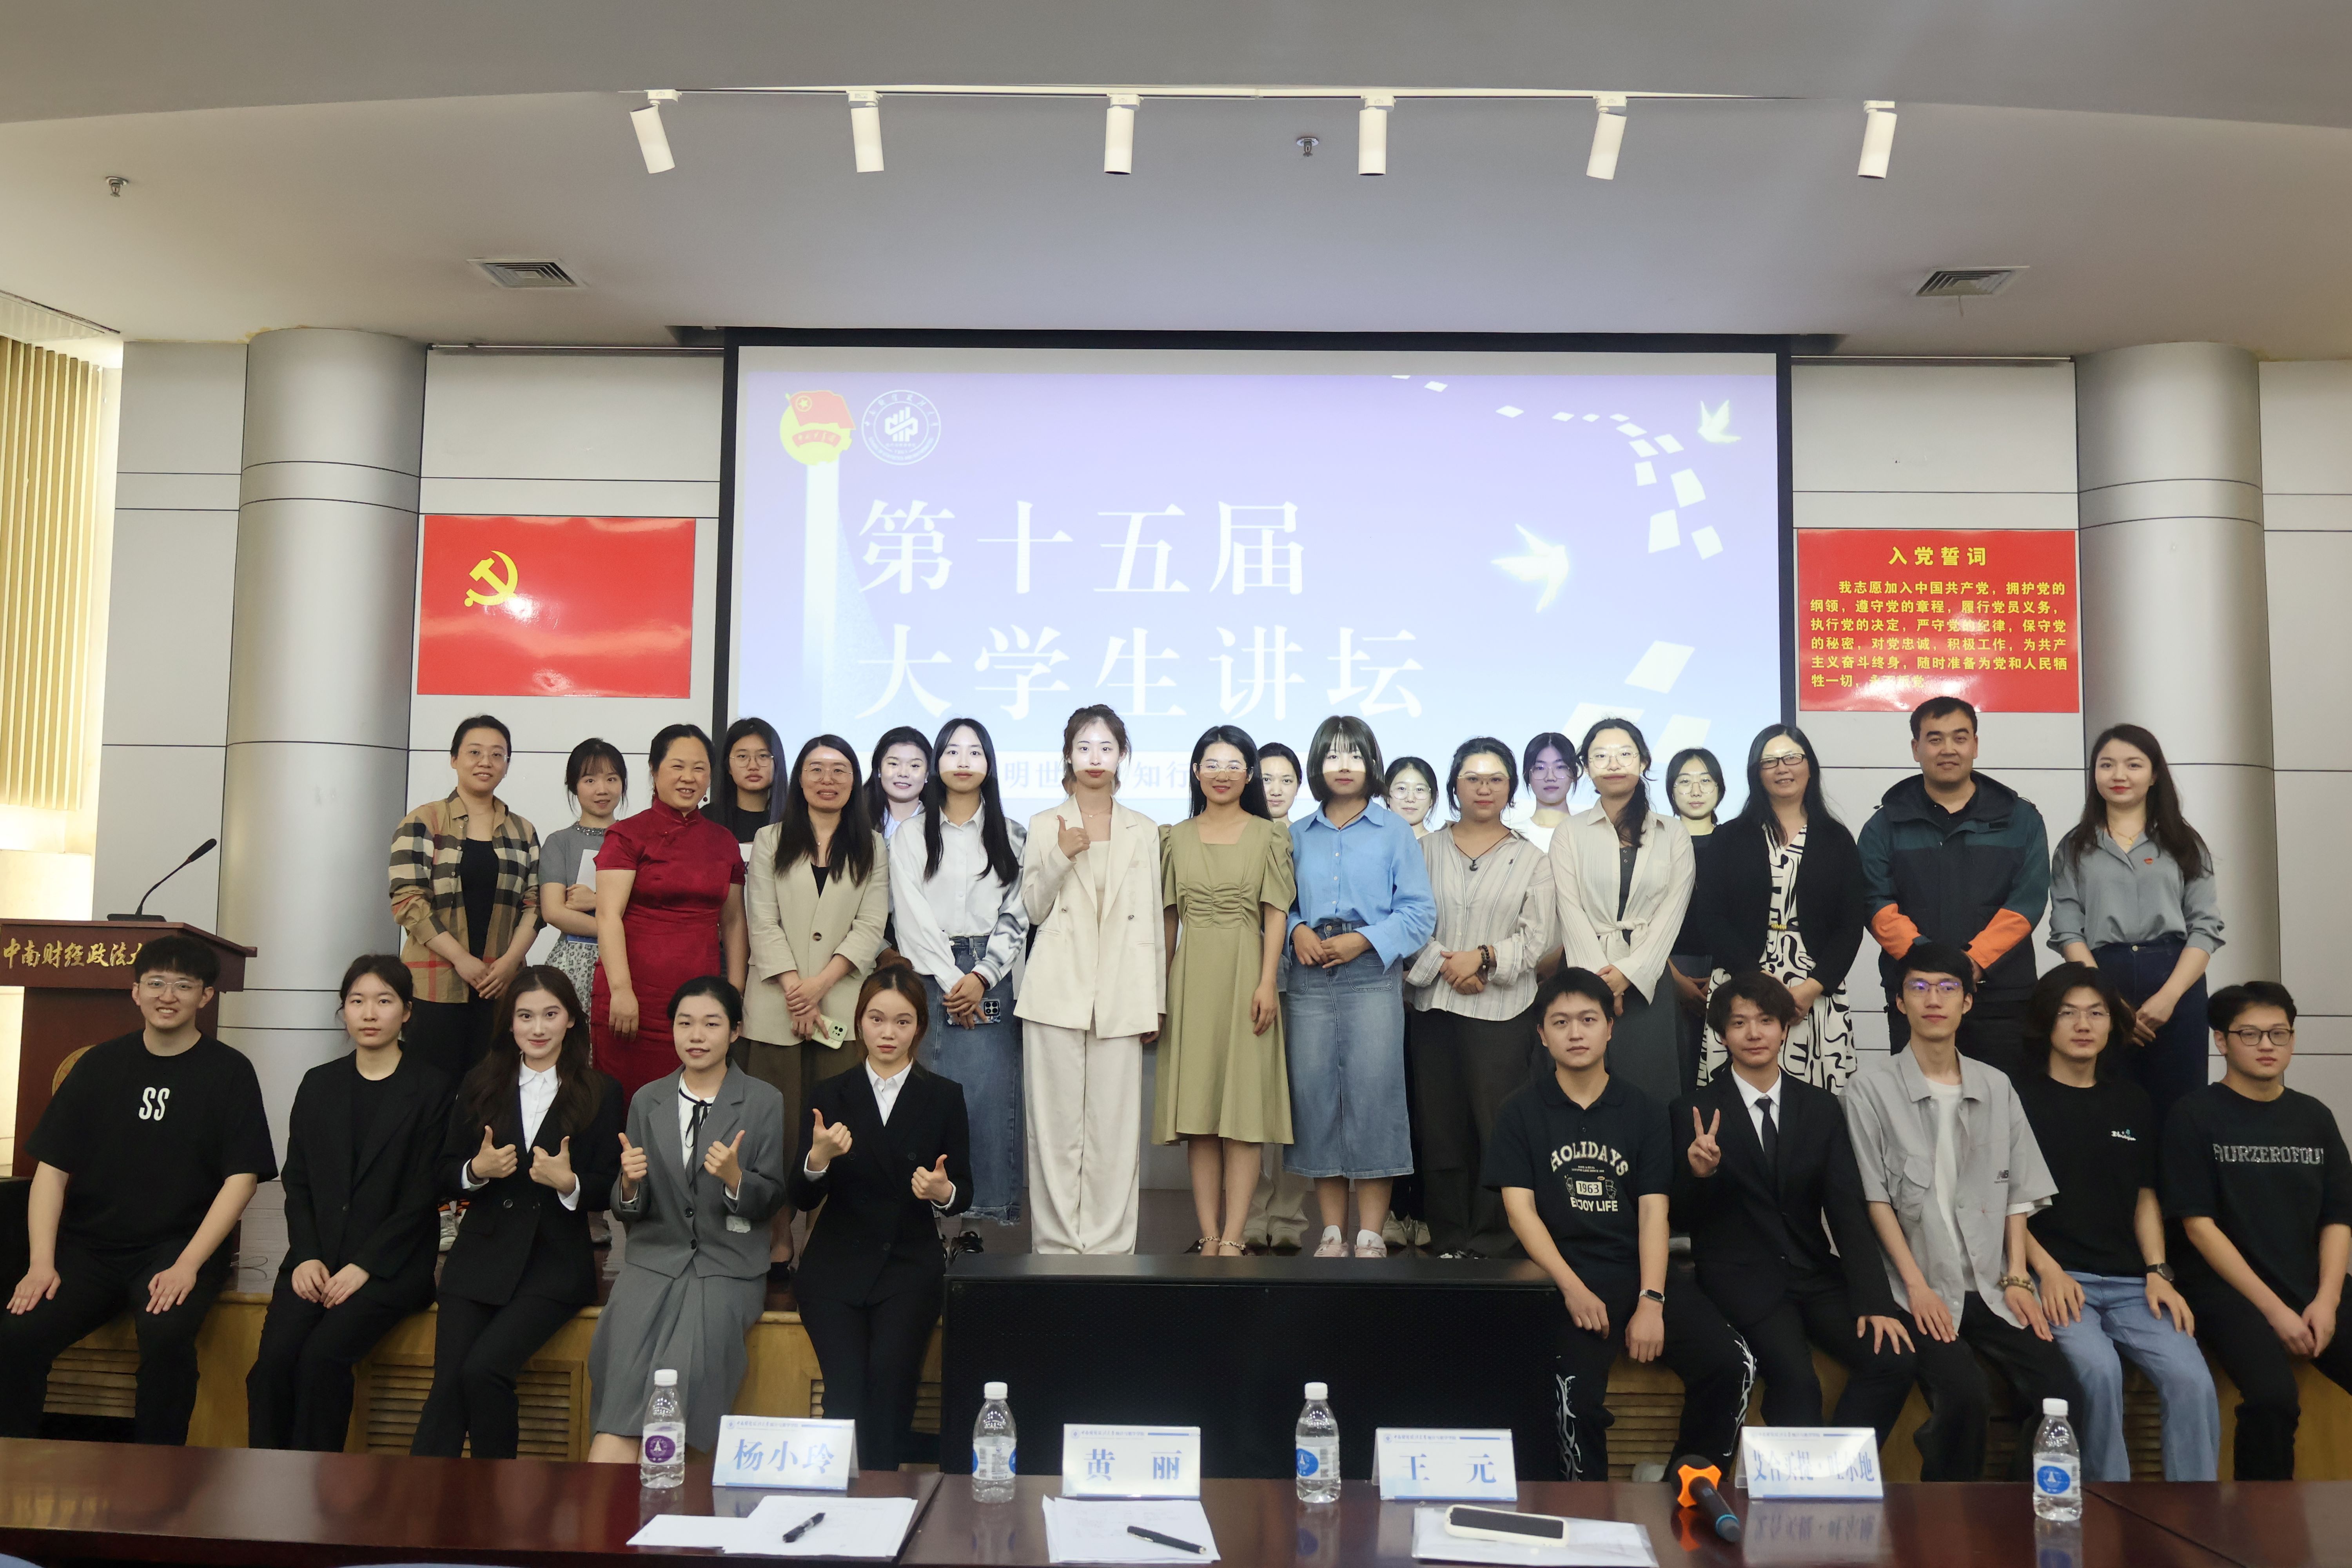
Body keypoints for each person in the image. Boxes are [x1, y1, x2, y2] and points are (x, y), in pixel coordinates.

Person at [0, 935, 275, 1444]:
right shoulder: (99, 1065)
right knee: (19, 1331)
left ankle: (158, 1473)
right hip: (91, 1247)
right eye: (156, 983)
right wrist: (41, 1263)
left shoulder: (229, 1071)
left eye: (183, 985)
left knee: (166, 1335)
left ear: (206, 996)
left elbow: (242, 1179)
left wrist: (188, 1264)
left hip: (177, 1247)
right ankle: (14, 1462)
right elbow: (51, 1172)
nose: (167, 996)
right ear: (136, 992)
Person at [1484, 967, 1755, 1481]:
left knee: (1733, 1365)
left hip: (1637, 1269)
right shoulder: (1519, 1112)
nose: (1576, 1033)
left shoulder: (1646, 1112)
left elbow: (1654, 1211)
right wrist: (1572, 1288)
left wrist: (1651, 1300)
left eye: (1589, 1019)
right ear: (1542, 1034)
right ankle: (1591, 1509)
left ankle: (1684, 1488)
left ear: (1611, 1027)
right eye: (1561, 1022)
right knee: (1573, 1398)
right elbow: (1521, 1212)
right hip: (1560, 1277)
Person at [1842, 940, 2082, 1481]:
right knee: (1965, 1397)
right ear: (1899, 1001)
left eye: (1948, 988)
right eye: (1919, 987)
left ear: (1967, 1002)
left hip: (1992, 1285)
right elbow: (1875, 1200)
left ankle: (2022, 1512)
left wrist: (2018, 1278)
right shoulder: (1868, 1090)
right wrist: (1916, 1287)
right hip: (1917, 1287)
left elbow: (2018, 1193)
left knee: (2063, 1395)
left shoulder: (1996, 1086)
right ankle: (1947, 1520)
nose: (1934, 1000)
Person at [1671, 973, 1915, 1448]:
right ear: (1722, 1035)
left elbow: (1846, 1209)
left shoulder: (1821, 1107)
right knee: (1798, 1384)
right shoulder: (1693, 1111)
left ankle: (1840, 1468)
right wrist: (1700, 1173)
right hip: (1741, 1280)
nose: (1754, 1033)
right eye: (1739, 1023)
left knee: (1894, 1358)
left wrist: (1874, 1300)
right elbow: (1680, 1215)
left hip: (1813, 1273)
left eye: (1766, 1020)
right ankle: (1802, 1483)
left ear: (1786, 1028)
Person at [2014, 964, 2218, 1483]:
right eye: (2068, 1013)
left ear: (2112, 1024)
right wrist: (2048, 1273)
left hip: (2133, 1283)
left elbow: (2145, 1194)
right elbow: (2000, 1202)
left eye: (2097, 1013)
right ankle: (2110, 1508)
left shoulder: (2132, 1100)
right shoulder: (2016, 1099)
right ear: (2047, 1021)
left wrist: (2158, 1270)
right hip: (2057, 1279)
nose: (2083, 1025)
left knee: (2192, 1380)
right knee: (2097, 1373)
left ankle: (2195, 1514)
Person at [412, 967, 623, 1459]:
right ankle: (419, 1500)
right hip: (479, 1257)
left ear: (571, 1020)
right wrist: (476, 1170)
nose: (538, 1028)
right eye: (525, 1016)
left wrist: (569, 1183)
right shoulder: (480, 1082)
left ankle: (496, 1495)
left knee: (484, 1370)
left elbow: (611, 1186)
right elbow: (442, 1171)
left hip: (555, 1263)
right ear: (509, 1023)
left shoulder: (601, 1090)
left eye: (551, 1014)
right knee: (448, 1387)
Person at [247, 955, 450, 1452]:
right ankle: (266, 1481)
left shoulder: (433, 1088)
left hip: (390, 1268)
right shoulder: (319, 1083)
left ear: (407, 1011)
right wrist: (307, 1255)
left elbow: (422, 1194)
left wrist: (366, 1266)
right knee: (271, 1365)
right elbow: (298, 1181)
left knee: (321, 1360)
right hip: (316, 1260)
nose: (370, 1013)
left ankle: (314, 1485)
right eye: (357, 1001)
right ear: (344, 1011)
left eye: (384, 1001)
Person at [586, 976, 787, 1462]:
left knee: (682, 1376)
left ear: (735, 1031)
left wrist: (736, 1179)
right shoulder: (647, 1100)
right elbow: (629, 1207)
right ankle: (608, 1498)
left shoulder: (763, 1100)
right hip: (653, 1262)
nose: (697, 1035)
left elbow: (772, 1197)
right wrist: (628, 1186)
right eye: (685, 1023)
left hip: (726, 1265)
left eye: (711, 1024)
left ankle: (661, 1487)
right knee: (620, 1374)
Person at [2166, 980, 2352, 1482]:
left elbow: (2339, 1217)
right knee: (2272, 1398)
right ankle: (2263, 1522)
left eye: (2278, 1033)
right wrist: (2276, 1312)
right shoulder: (2194, 1115)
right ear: (2222, 1041)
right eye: (2250, 1034)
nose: (2267, 1045)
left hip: (2309, 1282)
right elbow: (2198, 1227)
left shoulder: (2314, 1117)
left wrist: (2328, 1300)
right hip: (2226, 1289)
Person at [791, 964, 972, 1472]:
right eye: (877, 1019)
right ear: (860, 1022)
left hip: (908, 1268)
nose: (888, 1032)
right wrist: (818, 1160)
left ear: (920, 1028)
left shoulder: (944, 1096)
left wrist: (943, 1191)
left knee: (892, 1385)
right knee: (845, 1394)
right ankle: (842, 1504)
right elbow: (799, 1196)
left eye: (902, 1021)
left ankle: (882, 1501)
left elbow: (963, 1190)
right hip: (834, 1269)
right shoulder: (830, 1094)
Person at [1016, 704, 1165, 1255]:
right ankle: (1055, 1245)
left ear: (1122, 755)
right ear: (1068, 755)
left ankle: (1110, 1248)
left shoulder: (1144, 829)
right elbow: (1033, 908)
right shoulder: (1043, 825)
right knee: (1054, 1131)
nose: (1095, 757)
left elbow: (1153, 921)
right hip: (1056, 992)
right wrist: (1061, 855)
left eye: (1105, 747)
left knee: (1115, 1131)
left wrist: (1156, 1001)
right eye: (1084, 747)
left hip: (1122, 995)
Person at [1285, 715, 1436, 1258]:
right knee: (1316, 1097)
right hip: (1308, 975)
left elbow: (1419, 913)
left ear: (1371, 764)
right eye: (1332, 755)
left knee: (1375, 1097)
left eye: (1354, 755)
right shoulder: (1297, 834)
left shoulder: (1394, 831)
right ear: (1317, 765)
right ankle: (1332, 1231)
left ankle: (1370, 1233)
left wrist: (1364, 941)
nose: (1343, 766)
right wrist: (1296, 930)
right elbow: (1279, 906)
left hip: (1371, 974)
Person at [746, 733, 891, 1277]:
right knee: (779, 1129)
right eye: (816, 769)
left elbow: (871, 926)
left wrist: (819, 985)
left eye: (839, 770)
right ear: (799, 779)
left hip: (842, 1007)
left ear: (855, 780)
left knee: (835, 1128)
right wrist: (795, 988)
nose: (827, 780)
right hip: (774, 1008)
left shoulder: (872, 846)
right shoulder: (769, 840)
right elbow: (762, 920)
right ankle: (778, 1234)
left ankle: (823, 1237)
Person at [1405, 738, 1554, 1259]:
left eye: (1495, 779)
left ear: (1511, 787)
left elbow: (1537, 939)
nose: (1484, 788)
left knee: (1497, 1127)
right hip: (1434, 1010)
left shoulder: (1532, 859)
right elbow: (1407, 919)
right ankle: (1449, 1236)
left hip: (1503, 1013)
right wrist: (1450, 964)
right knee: (1440, 1128)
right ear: (1454, 786)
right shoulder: (1422, 851)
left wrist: (1484, 958)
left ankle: (1493, 1239)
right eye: (1473, 778)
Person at [888, 717, 1029, 1240]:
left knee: (987, 1103)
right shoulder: (910, 835)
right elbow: (911, 916)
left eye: (975, 752)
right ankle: (925, 1227)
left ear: (989, 763)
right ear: (936, 764)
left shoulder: (1013, 835)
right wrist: (955, 981)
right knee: (926, 1102)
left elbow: (1020, 912)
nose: (964, 761)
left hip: (992, 974)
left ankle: (976, 1228)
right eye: (952, 751)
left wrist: (982, 976)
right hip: (930, 974)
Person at [1858, 697, 2049, 1077]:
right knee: (1917, 1103)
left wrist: (1972, 963)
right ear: (1916, 748)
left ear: (1975, 745)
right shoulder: (1885, 825)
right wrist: (1932, 969)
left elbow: (2026, 903)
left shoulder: (2021, 819)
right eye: (1935, 739)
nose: (1948, 749)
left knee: (2001, 1102)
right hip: (1918, 996)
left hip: (2003, 1001)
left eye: (1959, 738)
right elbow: (1875, 903)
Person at [1159, 725, 1295, 1256]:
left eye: (1234, 765)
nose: (1222, 774)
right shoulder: (1174, 837)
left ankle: (1236, 1236)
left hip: (1247, 975)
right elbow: (1169, 920)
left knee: (1243, 1116)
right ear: (1196, 772)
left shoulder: (1269, 835)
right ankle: (1210, 1233)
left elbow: (1276, 912)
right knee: (1200, 1118)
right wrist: (1160, 991)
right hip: (1191, 978)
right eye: (1211, 764)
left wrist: (1267, 981)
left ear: (1249, 775)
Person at [2051, 723, 2223, 1131]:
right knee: (2109, 1108)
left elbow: (2205, 927)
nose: (2119, 775)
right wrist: (2107, 1002)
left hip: (2175, 979)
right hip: (2100, 980)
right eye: (2107, 765)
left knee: (2180, 1109)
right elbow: (2067, 929)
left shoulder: (2185, 842)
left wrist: (2169, 997)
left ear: (2155, 774)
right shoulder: (2074, 847)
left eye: (2133, 765)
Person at [1695, 725, 1863, 1092]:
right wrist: (1754, 980)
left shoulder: (1837, 839)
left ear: (1809, 766)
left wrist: (1813, 988)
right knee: (1737, 1100)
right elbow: (1710, 916)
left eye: (1792, 758)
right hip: (1741, 980)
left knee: (1816, 1104)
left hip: (1813, 988)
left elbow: (1851, 924)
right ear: (1756, 773)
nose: (1782, 768)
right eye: (1770, 761)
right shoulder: (1729, 837)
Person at [593, 724, 750, 1105]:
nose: (688, 777)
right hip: (634, 997)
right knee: (625, 1105)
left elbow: (733, 922)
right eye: (677, 766)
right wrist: (621, 990)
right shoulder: (627, 835)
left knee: (696, 1103)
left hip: (701, 1001)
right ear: (654, 769)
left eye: (699, 768)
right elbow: (608, 916)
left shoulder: (723, 841)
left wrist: (735, 994)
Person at [390, 713, 542, 1087]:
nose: (485, 762)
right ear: (454, 759)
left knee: (493, 1092)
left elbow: (535, 904)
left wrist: (509, 963)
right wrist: (461, 959)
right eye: (475, 752)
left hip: (500, 984)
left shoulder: (523, 831)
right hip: (434, 984)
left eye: (497, 754)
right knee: (429, 1093)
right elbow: (408, 900)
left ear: (507, 764)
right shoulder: (423, 821)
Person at [1550, 719, 1695, 1111]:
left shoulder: (1673, 833)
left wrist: (1630, 974)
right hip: (1581, 974)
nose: (1613, 764)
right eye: (1600, 756)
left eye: (1625, 754)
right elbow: (1569, 910)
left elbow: (1671, 915)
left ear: (1644, 761)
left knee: (1649, 1097)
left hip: (1648, 981)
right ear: (1586, 767)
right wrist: (1598, 985)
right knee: (1578, 1096)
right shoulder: (1569, 833)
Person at [1244, 741, 1314, 1254]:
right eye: (1266, 778)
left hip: (1304, 985)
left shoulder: (1310, 837)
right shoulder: (1237, 833)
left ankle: (1289, 1215)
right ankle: (1251, 1212)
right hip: (1246, 982)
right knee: (1248, 1103)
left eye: (1286, 779)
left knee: (1297, 1104)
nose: (1275, 789)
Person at [539, 737, 628, 1014]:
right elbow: (554, 912)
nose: (602, 790)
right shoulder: (559, 842)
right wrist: (619, 928)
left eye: (612, 779)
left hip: (628, 961)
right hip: (573, 961)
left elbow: (649, 906)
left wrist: (596, 901)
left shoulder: (637, 839)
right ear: (574, 786)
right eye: (590, 780)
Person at [1663, 746, 1726, 1092]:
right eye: (1685, 782)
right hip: (1668, 965)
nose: (1696, 790)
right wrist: (1674, 977)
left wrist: (1722, 972)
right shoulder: (1655, 842)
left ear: (1720, 787)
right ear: (1671, 790)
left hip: (1727, 966)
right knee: (1676, 1073)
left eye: (1706, 780)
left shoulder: (1737, 840)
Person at [706, 717, 784, 852]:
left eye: (763, 756)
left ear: (777, 763)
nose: (753, 766)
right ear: (728, 766)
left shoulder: (795, 819)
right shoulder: (707, 819)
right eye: (742, 757)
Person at [1502, 731, 1578, 854]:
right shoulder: (1513, 836)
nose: (1550, 777)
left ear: (1574, 774)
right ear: (1528, 775)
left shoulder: (1589, 832)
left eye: (1560, 767)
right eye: (1540, 768)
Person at [866, 726, 933, 842]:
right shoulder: (858, 819)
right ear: (879, 769)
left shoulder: (940, 823)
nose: (903, 774)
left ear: (927, 773)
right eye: (894, 764)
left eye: (915, 766)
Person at [1385, 755, 1442, 839]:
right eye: (1402, 789)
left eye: (1420, 789)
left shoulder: (1441, 844)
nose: (1410, 799)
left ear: (1432, 799)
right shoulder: (1372, 843)